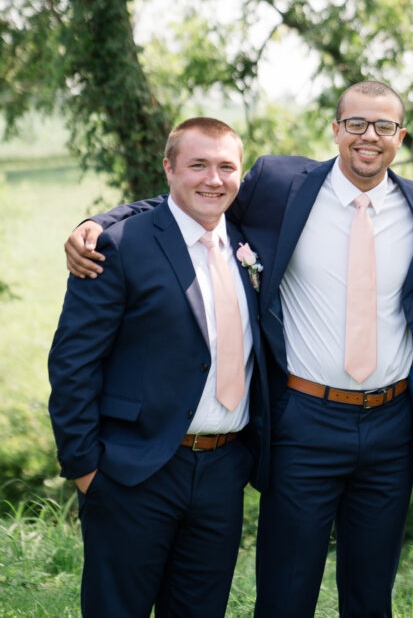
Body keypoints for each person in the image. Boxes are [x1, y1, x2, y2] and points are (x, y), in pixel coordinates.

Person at [63, 83, 413, 616]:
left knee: (370, 596)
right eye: (357, 124)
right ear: (337, 129)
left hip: (390, 429)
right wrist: (103, 223)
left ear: (401, 136)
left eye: (384, 126)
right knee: (285, 592)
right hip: (305, 423)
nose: (370, 136)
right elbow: (200, 194)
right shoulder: (280, 185)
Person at [48, 117, 270, 616]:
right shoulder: (119, 245)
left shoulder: (250, 244)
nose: (213, 179)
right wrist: (84, 467)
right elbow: (72, 362)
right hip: (132, 471)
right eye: (197, 165)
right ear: (168, 168)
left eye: (226, 167)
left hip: (222, 470)